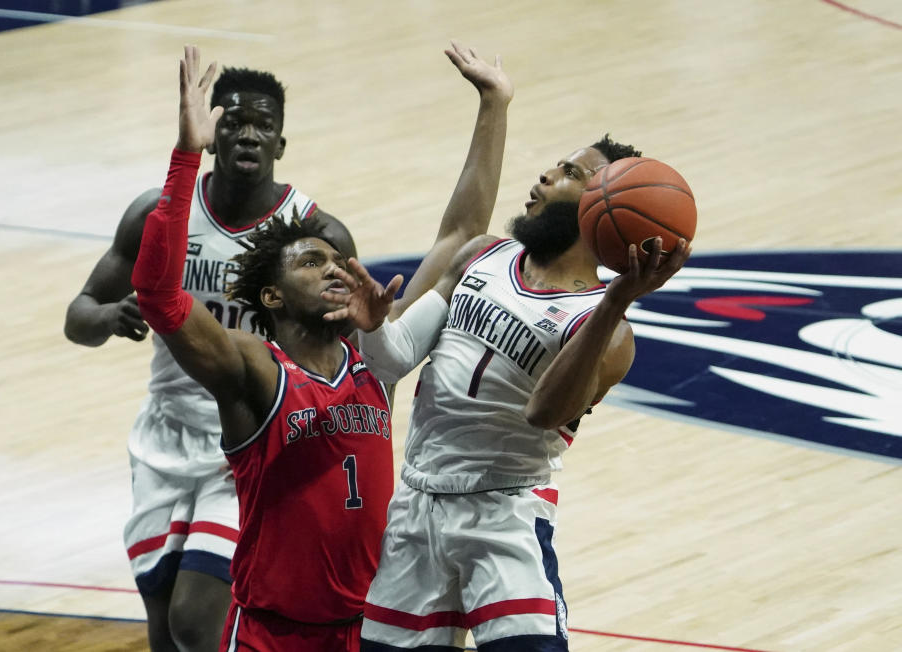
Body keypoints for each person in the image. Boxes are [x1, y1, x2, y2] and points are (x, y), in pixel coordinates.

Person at [129, 42, 512, 652]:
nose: (335, 267)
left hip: (378, 629)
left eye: (337, 259)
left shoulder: (378, 355)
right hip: (278, 635)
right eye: (311, 262)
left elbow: (461, 237)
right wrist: (185, 156)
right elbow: (159, 296)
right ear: (275, 298)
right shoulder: (255, 370)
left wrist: (495, 102)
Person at [322, 141, 691, 651]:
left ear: (601, 205)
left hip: (503, 513)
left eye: (568, 172)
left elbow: (545, 412)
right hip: (417, 506)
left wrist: (615, 301)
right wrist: (374, 328)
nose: (544, 175)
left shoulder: (604, 328)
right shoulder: (482, 255)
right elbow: (392, 359)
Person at [63, 52, 356, 651]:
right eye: (233, 121)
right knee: (166, 631)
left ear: (281, 142)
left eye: (263, 125)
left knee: (197, 623)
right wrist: (110, 316)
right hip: (165, 438)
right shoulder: (158, 213)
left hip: (252, 440)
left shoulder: (316, 234)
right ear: (212, 130)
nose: (248, 133)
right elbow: (78, 316)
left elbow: (346, 360)